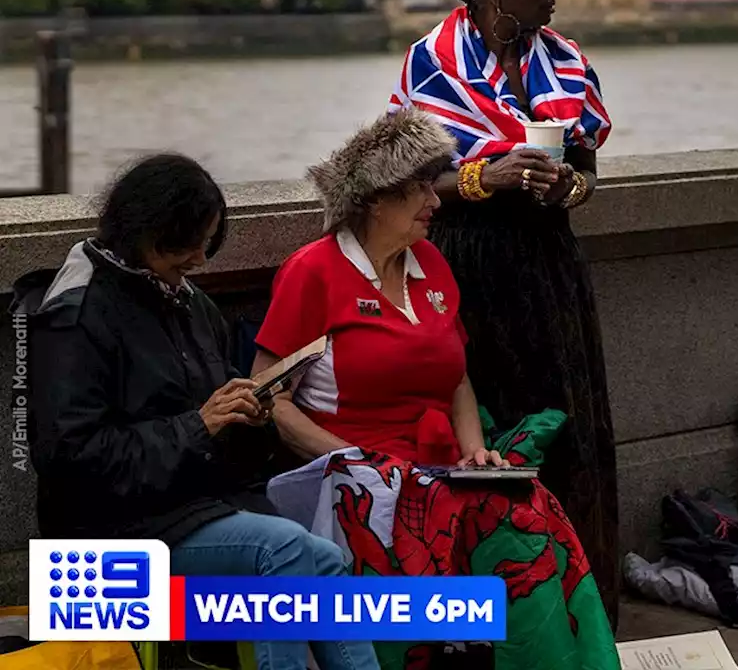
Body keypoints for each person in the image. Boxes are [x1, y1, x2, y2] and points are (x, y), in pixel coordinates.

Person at [252, 108, 619, 670]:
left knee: (531, 513)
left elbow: (458, 378)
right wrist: (354, 461)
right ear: (376, 200)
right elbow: (267, 394)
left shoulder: (430, 263)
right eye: (420, 188)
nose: (436, 200)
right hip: (354, 476)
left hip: (438, 465)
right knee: (483, 533)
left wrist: (475, 450)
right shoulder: (314, 272)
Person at [28, 154, 379, 670]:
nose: (198, 259)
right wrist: (199, 425)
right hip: (104, 531)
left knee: (325, 556)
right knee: (283, 553)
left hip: (188, 505)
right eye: (185, 244)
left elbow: (218, 445)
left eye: (206, 243)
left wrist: (248, 422)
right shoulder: (76, 313)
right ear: (143, 231)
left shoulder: (187, 302)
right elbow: (71, 459)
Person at [385, 0, 619, 625]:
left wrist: (563, 185)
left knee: (569, 427)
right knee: (485, 437)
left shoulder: (568, 63)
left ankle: (580, 603)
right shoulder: (432, 64)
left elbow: (586, 173)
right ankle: (497, 611)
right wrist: (493, 176)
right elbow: (413, 185)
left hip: (548, 268)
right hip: (469, 269)